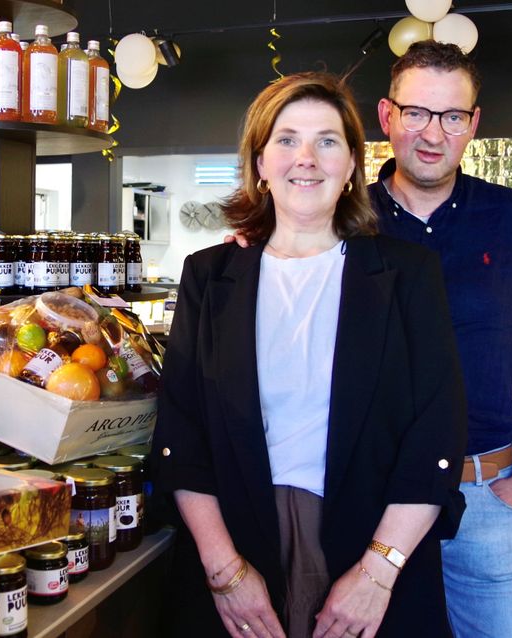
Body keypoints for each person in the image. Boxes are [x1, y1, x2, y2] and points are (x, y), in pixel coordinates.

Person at [152, 71, 468, 638]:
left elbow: (436, 434)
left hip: (371, 545)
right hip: (241, 543)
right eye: (287, 138)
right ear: (259, 164)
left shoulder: (408, 275)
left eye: (327, 141)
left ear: (351, 165)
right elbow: (183, 431)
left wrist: (377, 573)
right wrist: (224, 572)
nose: (307, 157)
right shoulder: (209, 275)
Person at [369, 41, 512, 637]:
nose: (434, 133)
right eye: (417, 113)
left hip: (485, 500)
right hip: (374, 500)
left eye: (453, 116)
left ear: (474, 123)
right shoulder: (350, 220)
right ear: (387, 116)